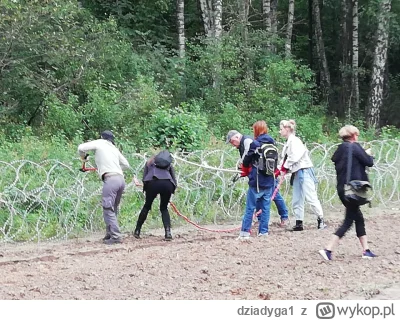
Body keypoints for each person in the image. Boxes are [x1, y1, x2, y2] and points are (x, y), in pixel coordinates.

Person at [319, 125, 376, 260]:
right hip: (353, 189)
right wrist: (368, 154)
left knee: (358, 217)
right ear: (354, 135)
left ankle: (366, 250)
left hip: (342, 189)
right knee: (349, 220)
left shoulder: (340, 149)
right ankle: (328, 249)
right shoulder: (355, 147)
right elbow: (369, 162)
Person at [226, 129, 289, 227]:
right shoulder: (242, 144)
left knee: (274, 195)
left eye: (232, 141)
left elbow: (248, 156)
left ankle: (284, 216)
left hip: (264, 173)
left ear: (237, 137)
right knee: (261, 197)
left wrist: (244, 167)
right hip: (258, 173)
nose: (232, 144)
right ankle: (260, 220)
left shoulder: (247, 141)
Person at [78, 130, 130, 245]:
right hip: (120, 179)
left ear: (102, 137)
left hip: (110, 179)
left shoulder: (100, 142)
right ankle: (110, 233)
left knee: (107, 207)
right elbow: (126, 164)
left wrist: (84, 158)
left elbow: (81, 147)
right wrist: (114, 167)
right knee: (113, 208)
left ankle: (116, 236)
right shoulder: (114, 148)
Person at [276, 119, 327, 231]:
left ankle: (321, 219)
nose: (280, 132)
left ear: (287, 129)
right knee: (297, 198)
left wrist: (284, 167)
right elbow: (285, 159)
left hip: (304, 171)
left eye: (281, 129)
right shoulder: (288, 143)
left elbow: (294, 157)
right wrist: (279, 169)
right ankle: (299, 222)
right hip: (296, 172)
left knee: (310, 196)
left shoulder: (295, 141)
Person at [237, 121, 276, 240]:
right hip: (269, 180)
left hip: (257, 181)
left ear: (256, 130)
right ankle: (263, 232)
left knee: (250, 207)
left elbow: (247, 159)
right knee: (265, 208)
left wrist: (244, 169)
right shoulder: (273, 143)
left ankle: (244, 233)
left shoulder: (255, 143)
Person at [134, 150, 177, 241]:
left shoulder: (149, 163)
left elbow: (144, 177)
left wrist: (146, 189)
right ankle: (168, 233)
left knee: (147, 206)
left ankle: (137, 230)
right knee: (164, 208)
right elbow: (174, 180)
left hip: (152, 182)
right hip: (167, 184)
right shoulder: (168, 164)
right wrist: (171, 191)